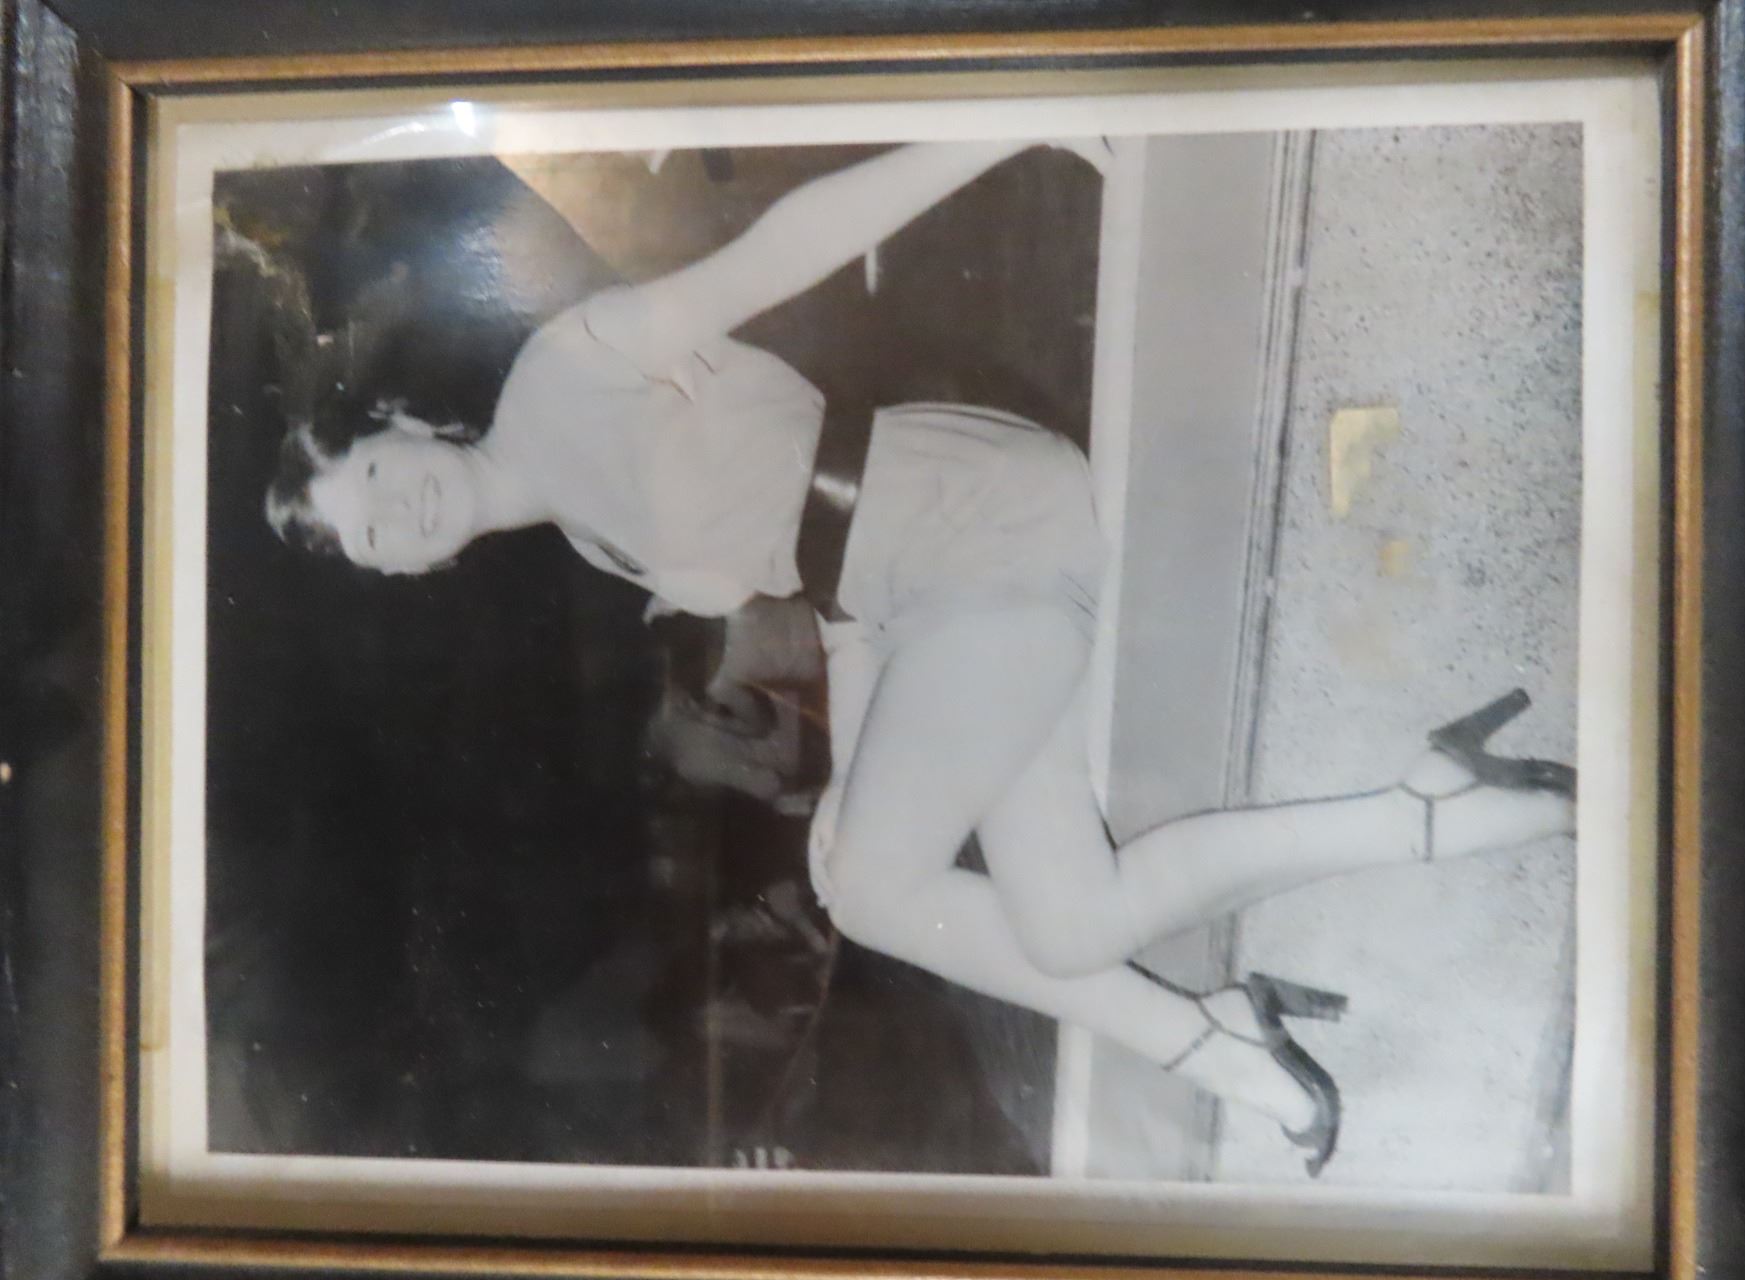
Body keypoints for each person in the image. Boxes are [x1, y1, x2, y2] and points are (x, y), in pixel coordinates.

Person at [265, 139, 1575, 1176]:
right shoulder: (588, 535)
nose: (397, 511)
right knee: (1059, 917)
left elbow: (782, 250)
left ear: (403, 424)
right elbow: (827, 582)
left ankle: (1233, 1033)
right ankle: (1405, 826)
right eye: (370, 536)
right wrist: (857, 771)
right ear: (402, 573)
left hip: (974, 519)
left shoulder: (559, 376)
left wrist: (998, 127)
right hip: (916, 595)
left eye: (372, 475)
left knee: (877, 891)